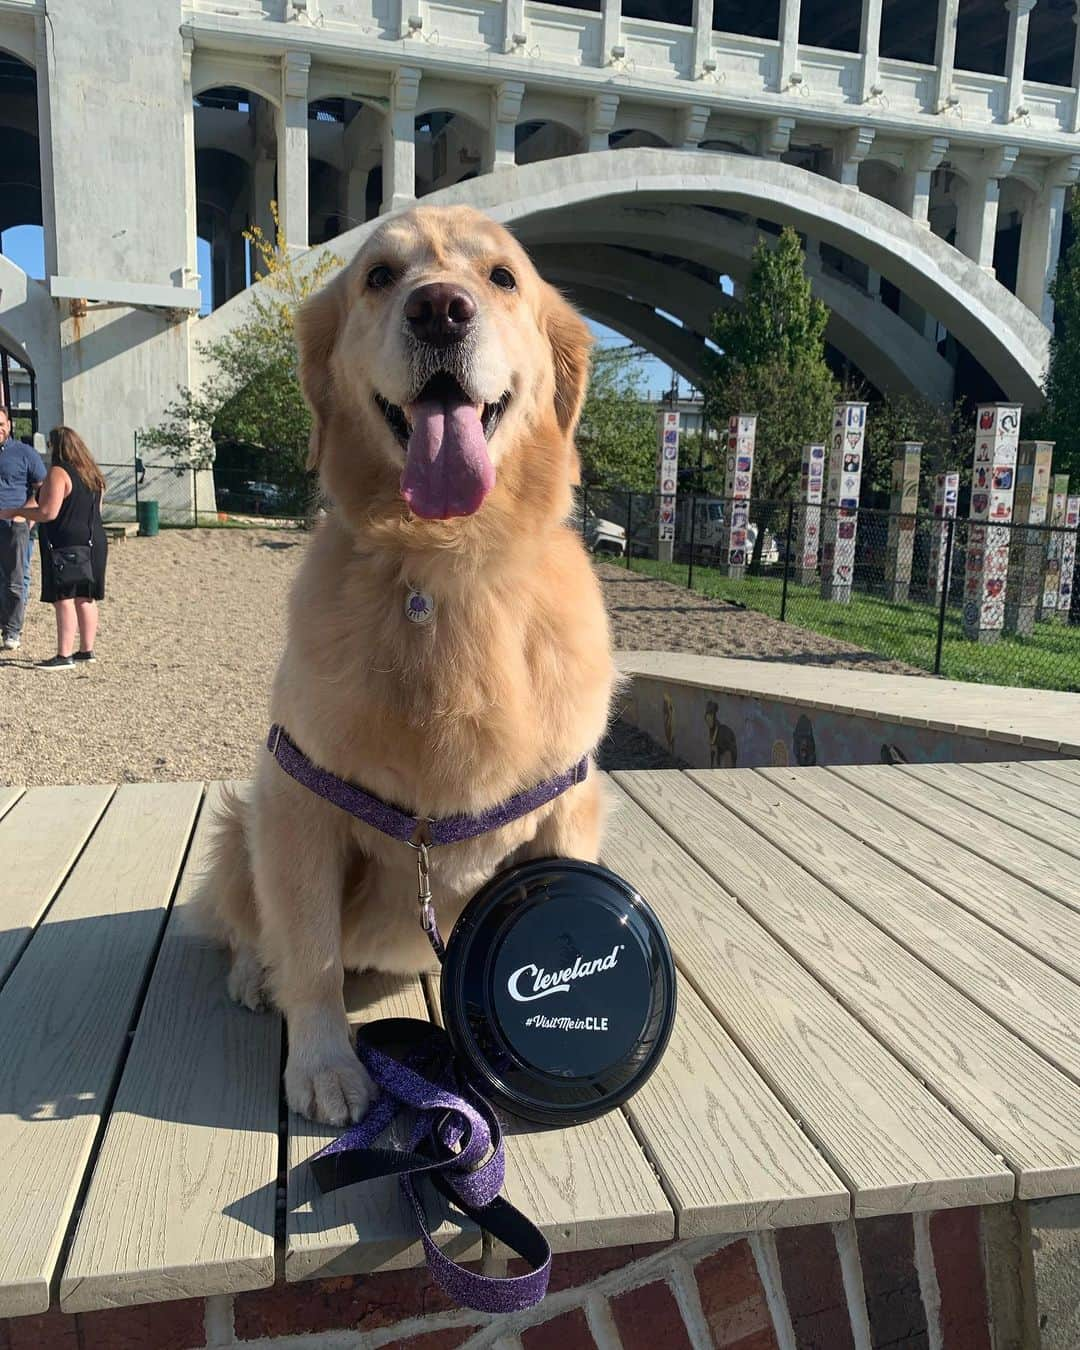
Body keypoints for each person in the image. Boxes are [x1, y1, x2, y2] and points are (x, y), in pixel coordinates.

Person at [0, 426, 108, 671]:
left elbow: (48, 512)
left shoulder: (59, 472)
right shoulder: (92, 474)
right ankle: (86, 650)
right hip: (94, 540)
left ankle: (64, 654)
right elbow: (98, 509)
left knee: (64, 596)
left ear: (55, 446)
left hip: (66, 542)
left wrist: (17, 511)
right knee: (85, 595)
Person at [0, 406, 46, 651]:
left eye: (1, 424)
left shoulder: (25, 453)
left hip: (14, 525)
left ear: (9, 425)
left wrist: (27, 516)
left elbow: (42, 487)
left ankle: (12, 630)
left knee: (16, 578)